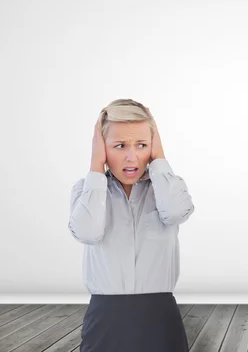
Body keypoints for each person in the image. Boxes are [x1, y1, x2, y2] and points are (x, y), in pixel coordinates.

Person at [68, 98, 194, 352]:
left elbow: (176, 212)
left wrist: (158, 157)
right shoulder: (87, 190)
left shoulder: (166, 186)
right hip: (105, 319)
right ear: (102, 148)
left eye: (142, 145)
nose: (131, 157)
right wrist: (95, 165)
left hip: (160, 319)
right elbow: (88, 232)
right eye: (119, 145)